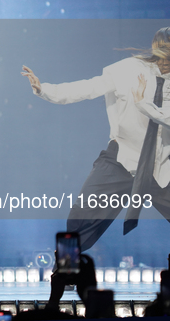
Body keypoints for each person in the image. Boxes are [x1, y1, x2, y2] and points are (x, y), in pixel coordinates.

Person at [22, 27, 170, 252]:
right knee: (81, 216)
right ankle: (65, 270)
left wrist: (144, 105)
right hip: (123, 158)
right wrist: (45, 90)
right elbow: (88, 87)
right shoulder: (130, 69)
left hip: (161, 165)